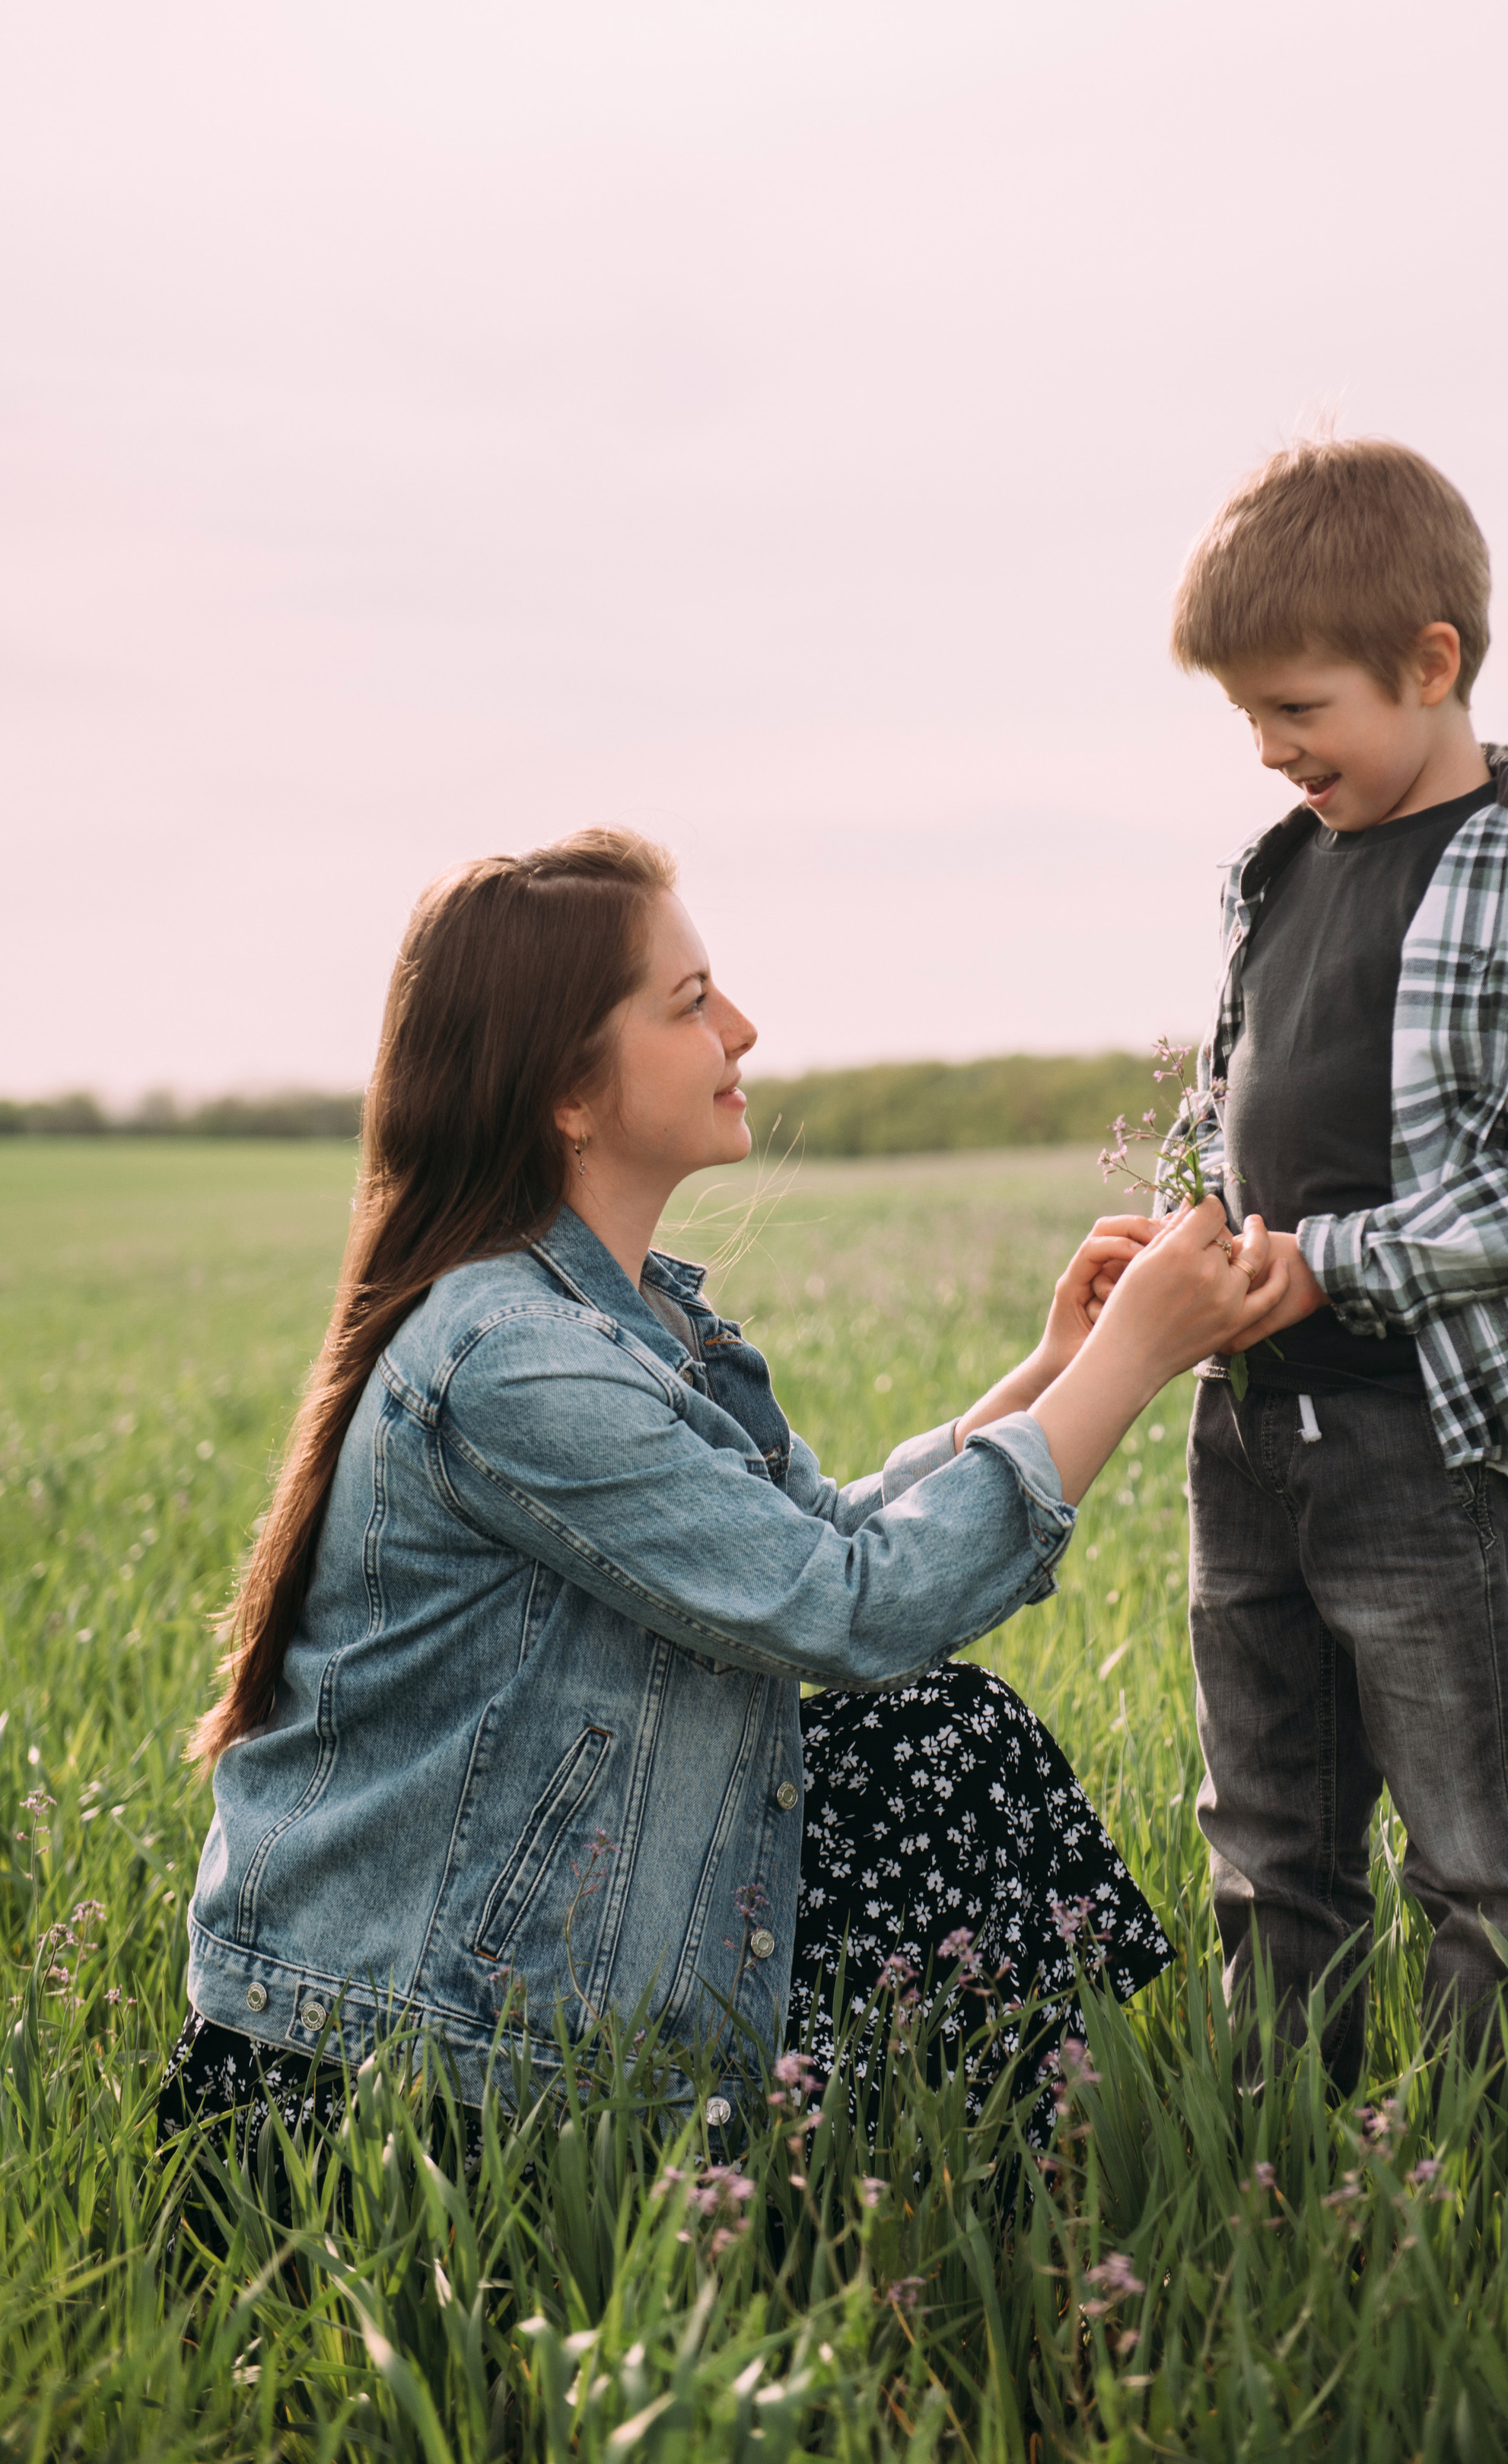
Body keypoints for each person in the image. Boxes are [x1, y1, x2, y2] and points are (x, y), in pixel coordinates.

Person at [162, 828, 1283, 2154]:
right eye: (689, 1004)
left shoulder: (628, 1320)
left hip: (522, 1988)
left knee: (945, 1745)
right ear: (563, 1094)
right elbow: (850, 1613)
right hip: (394, 2076)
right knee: (934, 1739)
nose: (741, 1029)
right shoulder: (510, 1359)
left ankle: (971, 2228)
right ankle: (960, 2247)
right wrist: (1137, 1361)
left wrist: (1059, 1367)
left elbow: (813, 1543)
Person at [1156, 438, 1508, 2085]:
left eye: (1299, 709)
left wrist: (1338, 1264)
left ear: (1427, 664)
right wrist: (1183, 1240)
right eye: (1248, 719)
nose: (1272, 748)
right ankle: (1285, 2125)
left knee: (1469, 1849)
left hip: (1423, 1446)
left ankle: (1481, 2164)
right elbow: (1230, 1111)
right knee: (1266, 1827)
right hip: (1247, 1436)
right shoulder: (1272, 872)